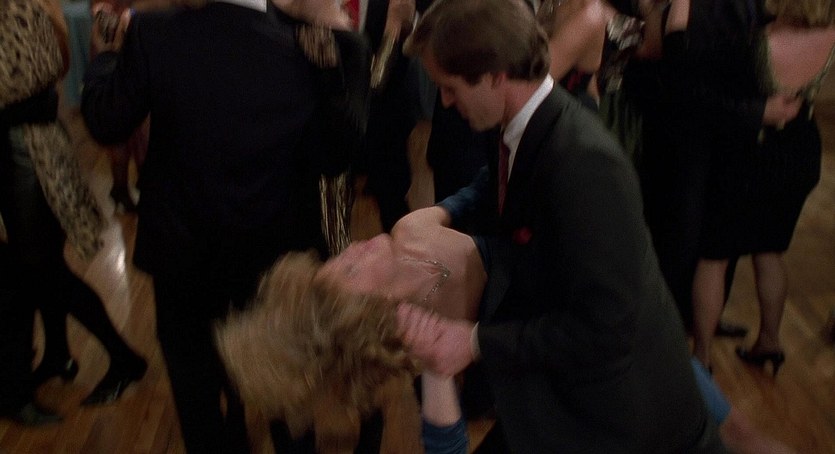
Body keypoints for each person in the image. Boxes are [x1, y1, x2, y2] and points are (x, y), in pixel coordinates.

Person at [393, 0, 726, 451]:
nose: (446, 103)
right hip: (568, 387)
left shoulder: (585, 164)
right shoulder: (522, 121)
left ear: (495, 76)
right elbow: (500, 179)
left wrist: (471, 342)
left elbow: (605, 328)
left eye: (450, 88)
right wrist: (445, 212)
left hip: (623, 417)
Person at [215, 208, 796, 453]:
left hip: (609, 322)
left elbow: (479, 190)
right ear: (366, 311)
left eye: (337, 259)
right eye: (347, 270)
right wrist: (438, 368)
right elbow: (446, 442)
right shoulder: (412, 334)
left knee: (739, 430)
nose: (348, 249)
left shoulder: (410, 229)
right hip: (571, 384)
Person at [81, 0, 371, 451]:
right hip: (276, 260)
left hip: (185, 260)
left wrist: (106, 57)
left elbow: (105, 121)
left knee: (198, 401)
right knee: (290, 401)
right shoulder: (314, 39)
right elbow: (333, 159)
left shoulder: (155, 33)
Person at [1, 0, 146, 422]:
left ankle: (122, 357)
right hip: (33, 145)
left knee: (39, 270)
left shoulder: (16, 10)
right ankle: (59, 355)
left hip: (26, 151)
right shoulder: (27, 7)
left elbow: (31, 78)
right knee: (38, 268)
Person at [671, 0, 835, 374]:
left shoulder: (758, 42)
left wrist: (678, 24)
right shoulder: (830, 37)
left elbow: (692, 78)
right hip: (800, 152)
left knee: (714, 256)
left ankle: (702, 357)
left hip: (749, 152)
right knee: (770, 251)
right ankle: (770, 341)